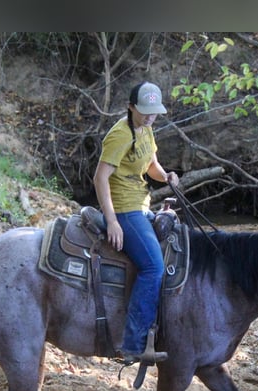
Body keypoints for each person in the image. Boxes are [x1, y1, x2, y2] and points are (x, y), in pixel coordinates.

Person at [93, 81, 180, 365]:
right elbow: (100, 178)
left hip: (142, 204)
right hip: (124, 209)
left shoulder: (147, 129)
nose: (150, 116)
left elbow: (151, 166)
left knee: (177, 241)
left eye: (154, 112)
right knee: (153, 266)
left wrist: (166, 176)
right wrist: (112, 221)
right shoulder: (120, 135)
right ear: (131, 107)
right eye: (145, 112)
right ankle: (133, 343)